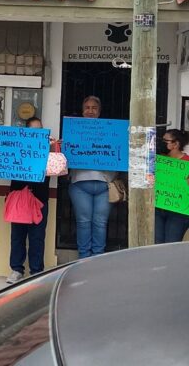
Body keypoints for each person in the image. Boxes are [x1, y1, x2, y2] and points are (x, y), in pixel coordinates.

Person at [6, 117, 54, 284]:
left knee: (37, 237)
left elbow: (59, 168)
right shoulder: (15, 148)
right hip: (19, 197)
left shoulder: (48, 151)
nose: (37, 133)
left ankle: (36, 272)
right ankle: (16, 270)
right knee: (17, 235)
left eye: (40, 130)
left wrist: (55, 148)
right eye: (33, 130)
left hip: (39, 199)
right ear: (26, 132)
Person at [68, 96, 116, 258]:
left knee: (100, 224)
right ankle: (83, 258)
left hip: (105, 185)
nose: (90, 111)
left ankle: (97, 258)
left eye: (94, 108)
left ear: (99, 111)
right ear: (82, 111)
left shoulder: (110, 130)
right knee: (83, 223)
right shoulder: (73, 130)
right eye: (87, 107)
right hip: (79, 183)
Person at [155, 129, 189, 244]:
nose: (161, 143)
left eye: (165, 141)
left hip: (179, 212)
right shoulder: (157, 161)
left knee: (171, 243)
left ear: (175, 144)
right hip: (159, 209)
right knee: (156, 242)